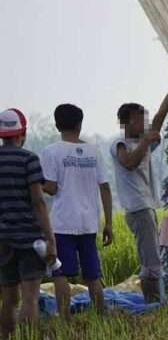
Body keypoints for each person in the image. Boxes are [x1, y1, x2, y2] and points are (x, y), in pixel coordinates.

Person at [110, 79, 168, 302]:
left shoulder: (144, 140)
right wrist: (145, 142)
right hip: (137, 207)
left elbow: (161, 114)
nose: (146, 124)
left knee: (151, 257)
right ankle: (154, 304)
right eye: (141, 120)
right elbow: (129, 163)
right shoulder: (119, 143)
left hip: (146, 205)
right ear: (129, 121)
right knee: (151, 262)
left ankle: (155, 302)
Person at [40, 104, 113, 317]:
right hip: (89, 223)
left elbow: (51, 188)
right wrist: (108, 223)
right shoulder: (93, 151)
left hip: (63, 223)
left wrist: (36, 182)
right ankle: (102, 314)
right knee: (92, 275)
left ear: (56, 125)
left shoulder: (51, 151)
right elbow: (105, 187)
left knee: (60, 273)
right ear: (80, 124)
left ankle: (64, 319)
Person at [0, 109, 56, 339]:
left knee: (9, 299)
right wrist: (50, 239)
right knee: (30, 297)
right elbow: (38, 202)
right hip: (29, 239)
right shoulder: (29, 159)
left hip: (2, 240)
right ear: (21, 134)